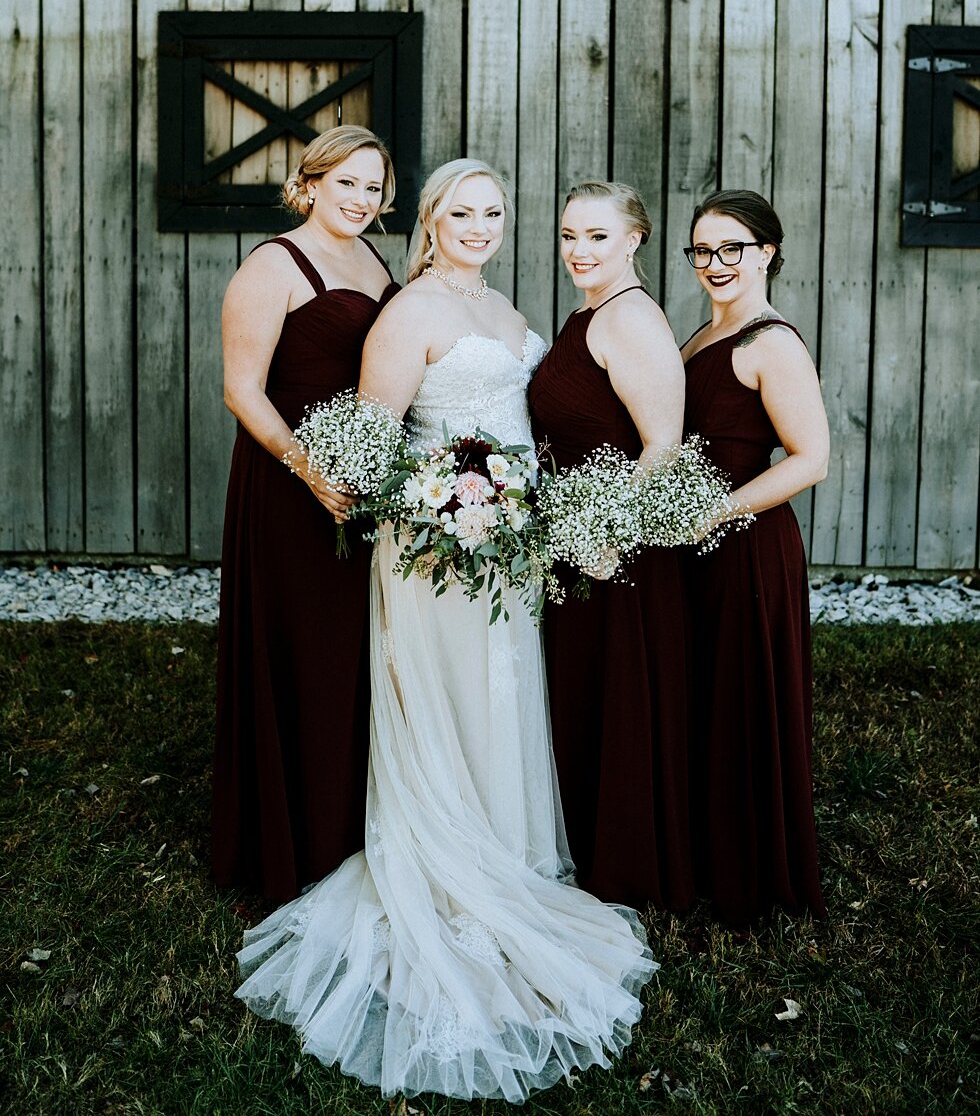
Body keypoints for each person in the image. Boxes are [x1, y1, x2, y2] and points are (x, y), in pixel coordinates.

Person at [234, 159, 654, 1103]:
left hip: (507, 550)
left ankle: (512, 851)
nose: (480, 225)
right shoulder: (410, 311)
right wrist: (441, 507)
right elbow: (375, 445)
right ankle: (451, 858)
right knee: (449, 697)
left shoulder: (506, 309)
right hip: (436, 551)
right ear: (429, 220)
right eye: (462, 212)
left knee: (504, 693)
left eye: (495, 212)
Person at [211, 126, 399, 904]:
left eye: (374, 187)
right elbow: (241, 389)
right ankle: (289, 838)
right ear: (311, 182)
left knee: (354, 651)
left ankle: (347, 826)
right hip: (291, 485)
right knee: (302, 650)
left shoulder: (372, 260)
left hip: (358, 481)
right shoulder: (272, 264)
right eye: (345, 183)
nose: (360, 199)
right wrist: (307, 468)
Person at [528, 180, 695, 911]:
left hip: (613, 553)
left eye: (596, 237)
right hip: (573, 538)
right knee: (580, 697)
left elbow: (661, 445)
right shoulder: (585, 313)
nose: (578, 251)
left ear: (634, 240)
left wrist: (605, 533)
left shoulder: (632, 321)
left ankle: (624, 864)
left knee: (615, 700)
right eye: (569, 235)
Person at [680, 188, 829, 924]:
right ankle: (703, 851)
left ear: (767, 252)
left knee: (742, 702)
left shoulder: (771, 341)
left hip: (746, 548)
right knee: (706, 697)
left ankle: (749, 872)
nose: (715, 263)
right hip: (698, 549)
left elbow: (811, 460)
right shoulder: (703, 336)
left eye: (731, 248)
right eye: (703, 250)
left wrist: (716, 512)